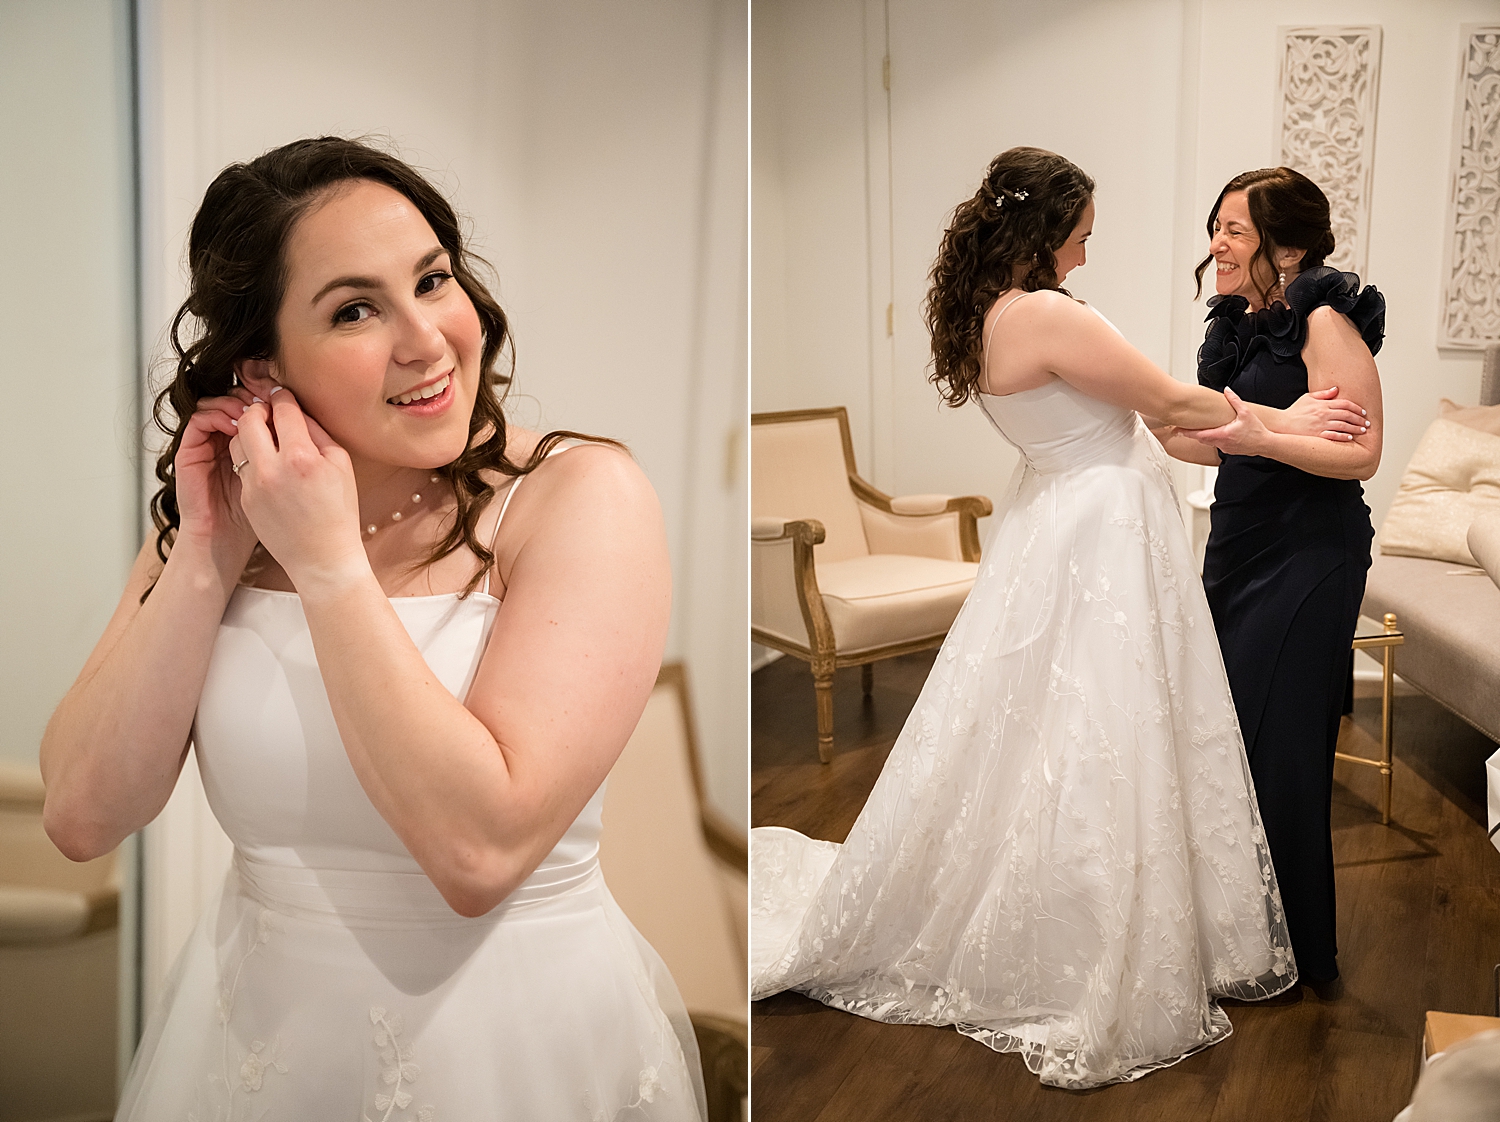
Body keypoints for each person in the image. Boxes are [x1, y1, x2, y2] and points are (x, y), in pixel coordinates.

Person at [40, 138, 706, 1120]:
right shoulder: (216, 522)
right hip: (258, 1042)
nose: (428, 339)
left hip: (507, 1051)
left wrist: (326, 566)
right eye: (355, 309)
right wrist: (208, 552)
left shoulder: (580, 498)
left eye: (433, 280)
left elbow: (479, 855)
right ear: (261, 367)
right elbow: (83, 815)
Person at [749, 147, 1364, 1089]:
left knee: (1058, 727)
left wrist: (1274, 430)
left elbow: (1160, 415)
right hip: (1096, 531)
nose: (1086, 249)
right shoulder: (1038, 313)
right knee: (1100, 729)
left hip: (1063, 520)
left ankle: (1069, 893)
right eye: (1079, 232)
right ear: (1043, 229)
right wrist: (1291, 427)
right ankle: (1087, 930)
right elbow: (1163, 401)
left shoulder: (992, 313)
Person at [1158, 167, 1384, 994]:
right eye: (1215, 227)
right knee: (1227, 742)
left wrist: (1263, 437)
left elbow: (1361, 451)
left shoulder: (1325, 320)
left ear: (1286, 247)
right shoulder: (1243, 325)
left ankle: (1296, 952)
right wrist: (1136, 429)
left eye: (1236, 232)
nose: (1217, 244)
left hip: (1309, 555)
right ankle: (1233, 935)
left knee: (1279, 749)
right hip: (1240, 543)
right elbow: (1219, 442)